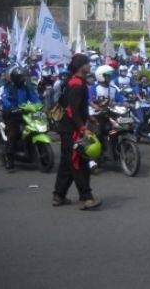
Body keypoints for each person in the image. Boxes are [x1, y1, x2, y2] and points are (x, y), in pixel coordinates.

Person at [53, 54, 101, 209]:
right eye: (88, 63)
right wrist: (83, 128)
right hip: (72, 130)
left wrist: (89, 117)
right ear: (82, 66)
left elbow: (79, 107)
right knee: (79, 163)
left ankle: (58, 196)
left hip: (69, 128)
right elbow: (72, 111)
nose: (90, 66)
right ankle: (86, 198)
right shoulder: (77, 85)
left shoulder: (76, 82)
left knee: (67, 163)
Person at [1, 67, 40, 171]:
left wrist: (39, 105)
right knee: (13, 134)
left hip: (25, 112)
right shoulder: (9, 87)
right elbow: (5, 99)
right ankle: (9, 159)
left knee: (35, 127)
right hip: (12, 114)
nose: (23, 79)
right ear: (15, 78)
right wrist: (11, 107)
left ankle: (30, 150)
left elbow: (34, 97)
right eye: (20, 77)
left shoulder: (26, 87)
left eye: (23, 77)